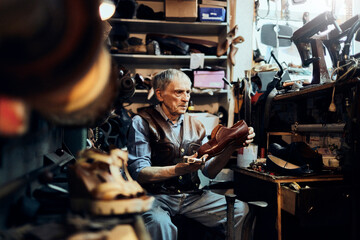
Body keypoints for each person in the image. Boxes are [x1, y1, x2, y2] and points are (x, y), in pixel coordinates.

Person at [127, 69, 255, 239]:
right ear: (160, 94)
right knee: (159, 222)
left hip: (192, 197)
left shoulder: (196, 125)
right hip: (156, 196)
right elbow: (139, 173)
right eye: (178, 92)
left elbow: (209, 171)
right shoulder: (141, 122)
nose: (186, 98)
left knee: (240, 210)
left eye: (188, 92)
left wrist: (232, 146)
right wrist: (179, 169)